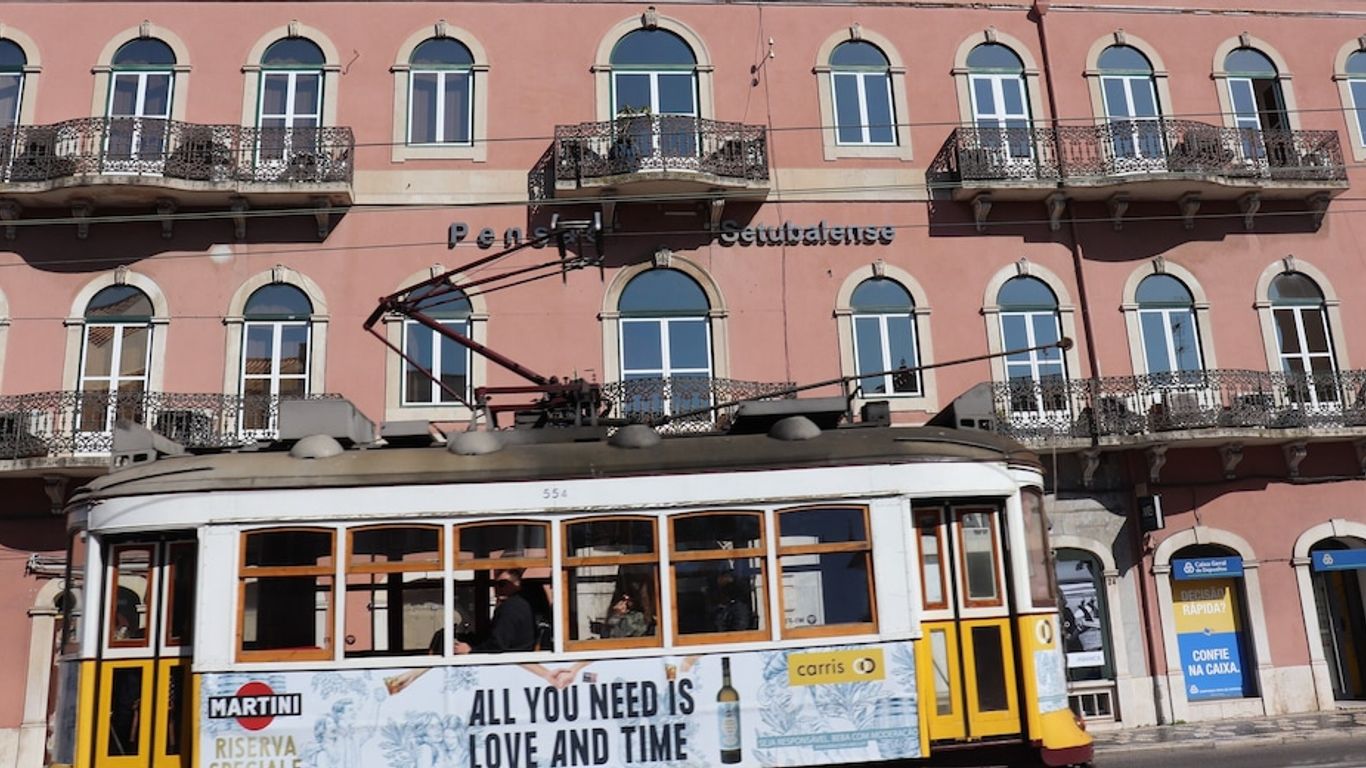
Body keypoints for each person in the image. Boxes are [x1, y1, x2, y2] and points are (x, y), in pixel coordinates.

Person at [455, 569, 537, 654]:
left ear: (517, 584)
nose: (497, 588)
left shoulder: (510, 607)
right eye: (494, 584)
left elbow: (498, 645)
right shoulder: (520, 603)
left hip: (511, 661)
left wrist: (470, 650)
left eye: (502, 584)